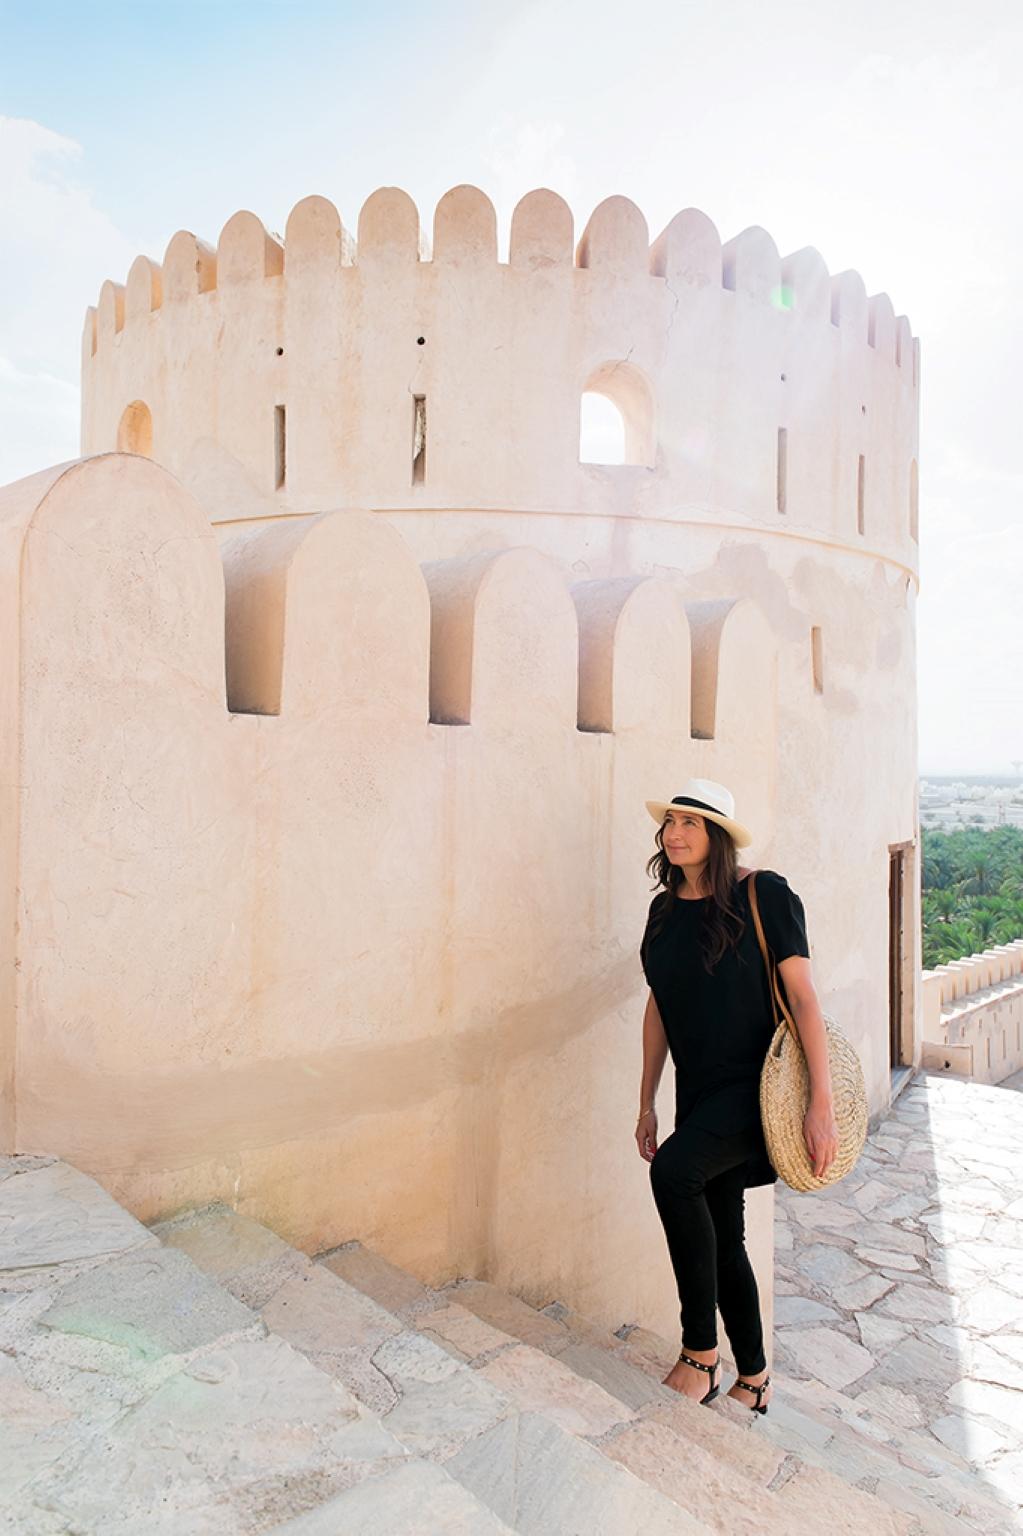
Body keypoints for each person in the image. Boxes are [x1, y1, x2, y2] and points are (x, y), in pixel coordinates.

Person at [636, 777, 838, 1414]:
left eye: (690, 823)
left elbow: (804, 999)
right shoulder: (664, 912)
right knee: (724, 1233)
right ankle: (754, 1377)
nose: (675, 833)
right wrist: (647, 1101)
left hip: (757, 1088)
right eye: (670, 822)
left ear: (718, 836)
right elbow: (659, 1009)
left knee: (674, 1174)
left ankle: (701, 1353)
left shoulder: (764, 894)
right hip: (696, 1091)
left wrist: (821, 1104)